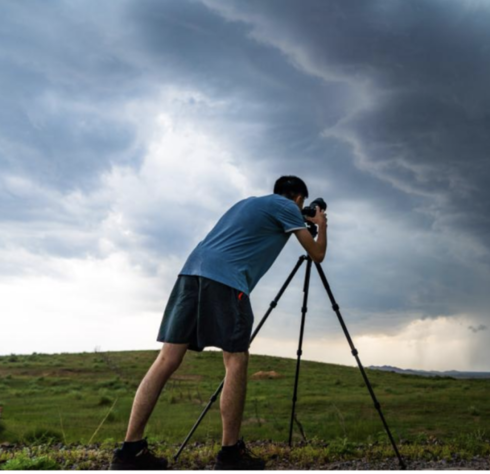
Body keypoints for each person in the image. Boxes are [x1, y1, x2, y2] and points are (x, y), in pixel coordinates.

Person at [109, 176, 327, 470]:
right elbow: (317, 254)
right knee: (236, 359)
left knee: (167, 359)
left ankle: (129, 451)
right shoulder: (287, 206)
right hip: (226, 279)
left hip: (190, 272)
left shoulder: (250, 203)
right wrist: (321, 224)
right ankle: (230, 454)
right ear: (299, 198)